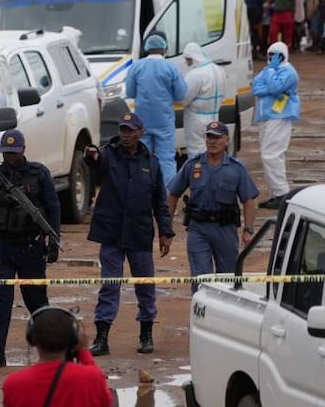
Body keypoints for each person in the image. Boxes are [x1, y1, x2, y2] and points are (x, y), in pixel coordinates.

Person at [83, 113, 174, 356]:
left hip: (139, 233)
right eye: (123, 130)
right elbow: (95, 164)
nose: (125, 135)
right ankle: (102, 337)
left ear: (140, 133)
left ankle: (146, 333)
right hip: (111, 232)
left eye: (130, 130)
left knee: (145, 285)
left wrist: (165, 232)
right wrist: (90, 156)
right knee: (109, 285)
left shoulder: (151, 162)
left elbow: (160, 201)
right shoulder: (108, 155)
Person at [0, 129, 60, 369]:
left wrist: (54, 240)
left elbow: (53, 207)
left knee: (36, 300)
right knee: (1, 301)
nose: (10, 157)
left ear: (23, 150)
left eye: (14, 152)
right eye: (6, 153)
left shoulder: (38, 174)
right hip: (1, 246)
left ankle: (48, 352)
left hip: (30, 246)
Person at [167, 122, 259, 292]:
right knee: (201, 279)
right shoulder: (193, 165)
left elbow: (248, 200)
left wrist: (248, 229)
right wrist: (167, 226)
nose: (212, 141)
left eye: (217, 137)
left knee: (227, 279)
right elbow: (173, 194)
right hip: (198, 229)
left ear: (226, 140)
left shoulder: (236, 168)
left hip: (225, 230)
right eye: (209, 137)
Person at [1, 307, 113, 407]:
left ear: (31, 339)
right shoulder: (91, 377)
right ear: (73, 339)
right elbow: (104, 403)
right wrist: (84, 353)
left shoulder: (13, 383)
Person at [124, 33, 186, 190]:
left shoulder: (136, 67)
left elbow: (130, 92)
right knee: (166, 159)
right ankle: (167, 194)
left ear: (147, 48)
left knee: (141, 156)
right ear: (164, 49)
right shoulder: (170, 67)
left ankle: (142, 191)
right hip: (164, 120)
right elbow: (181, 94)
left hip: (142, 121)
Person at [252, 41, 300, 210]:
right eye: (270, 55)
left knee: (272, 155)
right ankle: (275, 193)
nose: (273, 58)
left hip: (280, 116)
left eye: (277, 56)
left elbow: (274, 87)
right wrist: (271, 86)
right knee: (268, 155)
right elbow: (256, 88)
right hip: (267, 116)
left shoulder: (289, 72)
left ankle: (281, 193)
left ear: (283, 56)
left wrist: (271, 78)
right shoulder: (268, 70)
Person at [181, 43, 226, 157]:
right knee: (213, 150)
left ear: (192, 58)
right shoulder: (218, 70)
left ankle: (199, 169)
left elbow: (183, 98)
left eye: (187, 60)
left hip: (197, 119)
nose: (187, 63)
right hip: (214, 116)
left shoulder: (195, 74)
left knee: (196, 151)